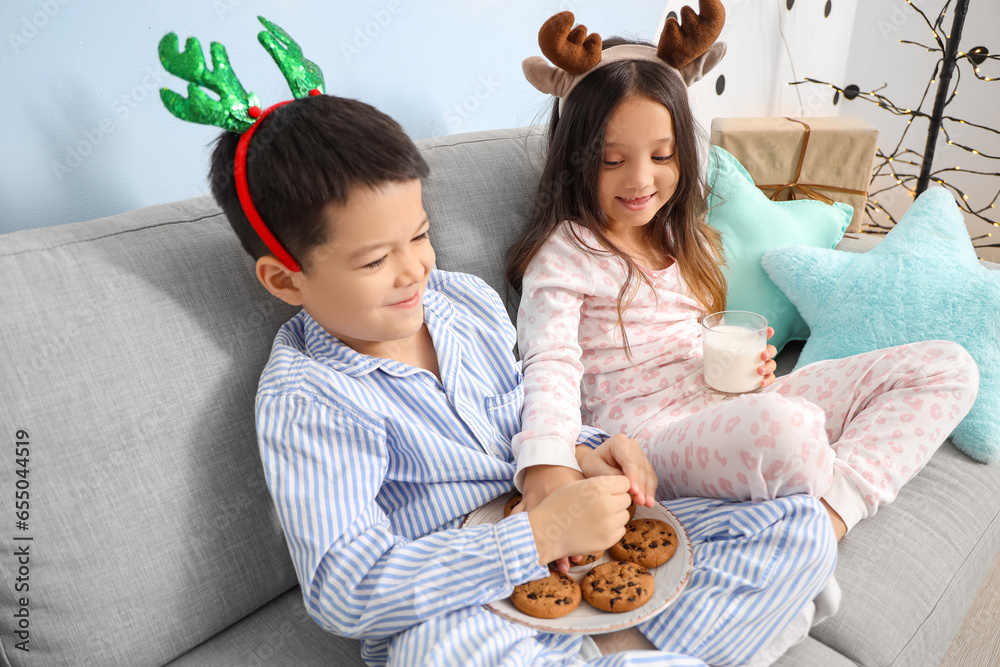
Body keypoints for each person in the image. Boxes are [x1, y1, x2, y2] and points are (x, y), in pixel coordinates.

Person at [164, 16, 835, 667]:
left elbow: (530, 410)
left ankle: (622, 645)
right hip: (467, 600)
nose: (414, 270)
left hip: (575, 535)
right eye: (374, 261)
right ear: (286, 279)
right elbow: (345, 587)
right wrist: (535, 536)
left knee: (800, 528)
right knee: (437, 655)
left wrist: (595, 448)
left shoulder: (463, 303)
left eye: (421, 234)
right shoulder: (309, 397)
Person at [506, 12, 980, 545]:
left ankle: (830, 508)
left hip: (729, 408)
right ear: (575, 157)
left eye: (662, 155)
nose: (641, 179)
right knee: (789, 429)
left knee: (949, 366)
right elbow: (549, 363)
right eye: (612, 160)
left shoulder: (680, 238)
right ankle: (803, 475)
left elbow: (693, 345)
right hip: (651, 437)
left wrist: (745, 372)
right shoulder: (568, 252)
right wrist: (548, 462)